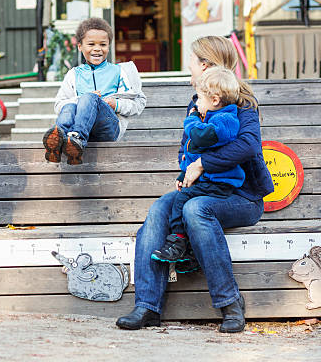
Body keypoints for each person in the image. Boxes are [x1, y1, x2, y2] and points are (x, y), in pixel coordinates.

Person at [116, 36, 274, 333]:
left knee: (196, 210)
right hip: (203, 189)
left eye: (192, 61)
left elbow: (250, 146)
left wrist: (202, 164)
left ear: (205, 65)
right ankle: (147, 306)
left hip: (242, 197)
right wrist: (187, 171)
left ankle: (230, 304)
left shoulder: (242, 102)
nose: (189, 69)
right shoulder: (197, 101)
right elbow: (185, 149)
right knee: (160, 209)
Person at [151, 66, 245, 263]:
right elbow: (196, 155)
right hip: (209, 179)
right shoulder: (213, 118)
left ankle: (178, 241)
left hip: (220, 184)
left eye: (200, 99)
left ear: (215, 100)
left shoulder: (226, 120)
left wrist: (191, 119)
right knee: (180, 199)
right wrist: (182, 175)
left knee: (181, 201)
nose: (197, 104)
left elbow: (200, 138)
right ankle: (191, 254)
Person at [43, 17, 146, 165]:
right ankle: (58, 139)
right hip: (81, 126)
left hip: (108, 127)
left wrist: (115, 104)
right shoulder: (74, 74)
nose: (97, 49)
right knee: (71, 105)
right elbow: (59, 105)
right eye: (91, 44)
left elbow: (139, 103)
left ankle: (76, 138)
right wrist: (81, 100)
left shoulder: (118, 72)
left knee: (89, 98)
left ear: (109, 46)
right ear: (80, 46)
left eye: (103, 44)